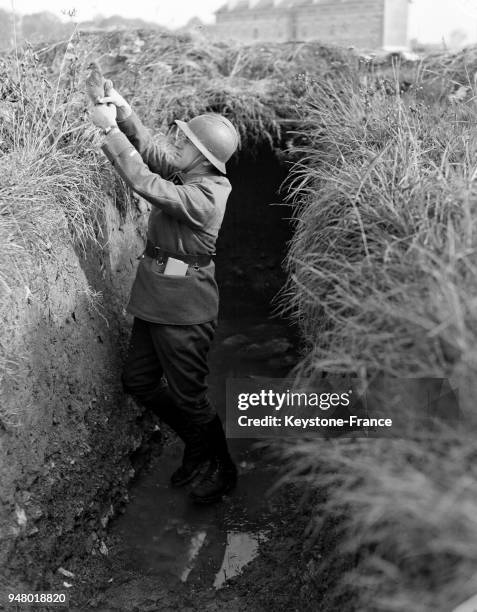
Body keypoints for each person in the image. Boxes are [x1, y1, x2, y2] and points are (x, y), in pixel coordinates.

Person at [90, 82, 239, 504]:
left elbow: (147, 182)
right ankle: (196, 446)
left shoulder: (208, 194)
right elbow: (155, 156)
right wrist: (123, 112)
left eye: (186, 141)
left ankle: (223, 468)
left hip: (185, 308)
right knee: (138, 380)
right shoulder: (194, 172)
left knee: (190, 397)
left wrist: (109, 134)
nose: (179, 143)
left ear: (201, 154)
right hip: (159, 295)